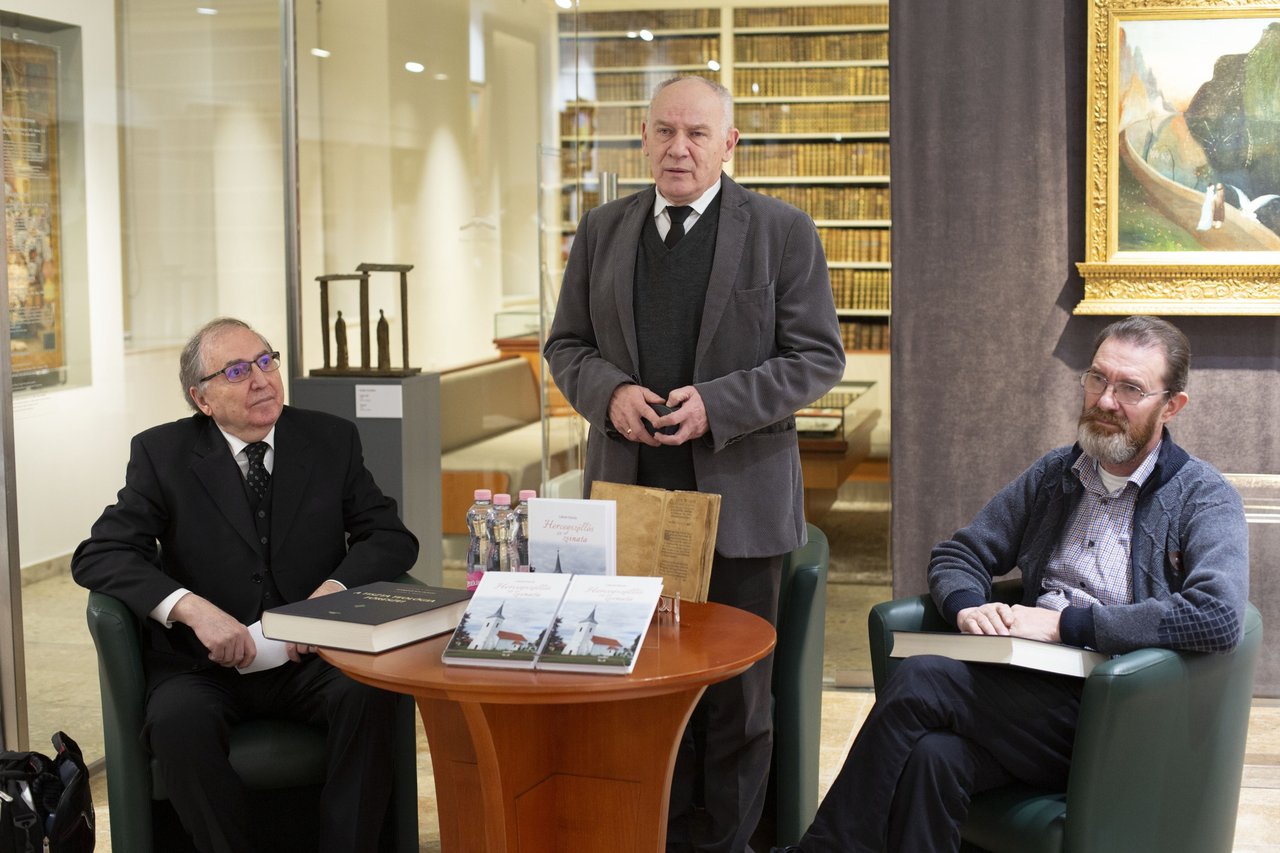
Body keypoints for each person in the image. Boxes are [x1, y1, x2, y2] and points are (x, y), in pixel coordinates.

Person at [786, 315, 1249, 853]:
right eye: (1098, 379)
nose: (1105, 400)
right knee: (934, 757)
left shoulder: (1203, 496)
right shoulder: (1057, 475)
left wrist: (1064, 626)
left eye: (1130, 389)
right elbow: (961, 553)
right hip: (1023, 692)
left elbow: (1218, 615)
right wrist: (967, 607)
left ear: (1171, 406)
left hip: (1117, 710)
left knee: (922, 677)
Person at [544, 75, 846, 851]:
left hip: (739, 505)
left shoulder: (782, 231)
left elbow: (817, 357)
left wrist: (721, 403)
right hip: (629, 503)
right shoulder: (602, 230)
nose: (678, 148)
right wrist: (608, 392)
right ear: (643, 137)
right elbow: (566, 344)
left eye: (697, 133)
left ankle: (725, 843)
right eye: (665, 131)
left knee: (736, 703)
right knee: (637, 684)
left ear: (729, 143)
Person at [72, 317, 419, 853]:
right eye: (236, 371)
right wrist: (191, 609)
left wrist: (332, 594)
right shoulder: (162, 454)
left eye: (265, 361)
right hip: (203, 666)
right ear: (202, 398)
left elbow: (389, 537)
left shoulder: (330, 439)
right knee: (176, 722)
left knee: (369, 693)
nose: (261, 379)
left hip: (313, 658)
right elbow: (100, 554)